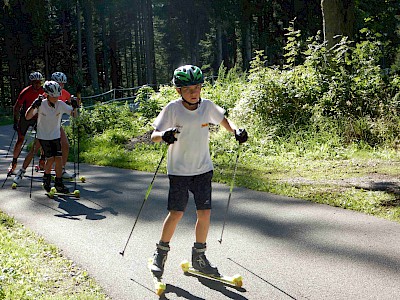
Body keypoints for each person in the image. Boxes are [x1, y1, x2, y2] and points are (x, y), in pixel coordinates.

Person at [149, 65, 248, 278]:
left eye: (197, 87)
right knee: (176, 213)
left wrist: (236, 130)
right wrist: (164, 135)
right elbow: (154, 135)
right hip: (179, 171)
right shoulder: (173, 109)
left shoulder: (207, 107)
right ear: (178, 91)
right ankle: (161, 252)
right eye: (188, 89)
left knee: (204, 214)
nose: (193, 93)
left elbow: (224, 121)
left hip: (203, 169)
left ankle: (200, 257)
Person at [25, 81, 78, 193]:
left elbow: (74, 115)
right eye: (53, 96)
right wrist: (33, 105)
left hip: (55, 135)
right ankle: (47, 180)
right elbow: (28, 116)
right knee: (50, 159)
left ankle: (59, 183)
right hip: (43, 136)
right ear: (47, 95)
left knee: (58, 159)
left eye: (57, 95)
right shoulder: (41, 104)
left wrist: (74, 106)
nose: (56, 98)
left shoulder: (60, 104)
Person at [8, 72, 44, 176]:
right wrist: (15, 121)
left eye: (38, 82)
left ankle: (42, 161)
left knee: (43, 138)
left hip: (38, 117)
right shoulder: (26, 91)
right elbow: (16, 107)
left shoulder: (44, 91)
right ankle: (14, 162)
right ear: (31, 83)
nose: (37, 84)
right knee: (20, 140)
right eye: (35, 82)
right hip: (25, 117)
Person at [50, 71, 75, 179]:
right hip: (44, 124)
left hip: (56, 124)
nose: (61, 86)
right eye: (59, 84)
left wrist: (75, 103)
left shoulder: (65, 93)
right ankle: (21, 170)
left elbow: (72, 108)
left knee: (65, 145)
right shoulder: (46, 92)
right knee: (37, 147)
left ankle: (62, 169)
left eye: (63, 84)